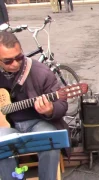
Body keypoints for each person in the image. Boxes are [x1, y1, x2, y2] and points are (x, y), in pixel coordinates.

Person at [0, 32, 69, 180]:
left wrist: (51, 110)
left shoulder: (41, 72)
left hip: (38, 122)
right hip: (5, 127)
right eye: (8, 61)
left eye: (19, 57)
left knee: (50, 141)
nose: (15, 63)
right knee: (1, 146)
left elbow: (62, 104)